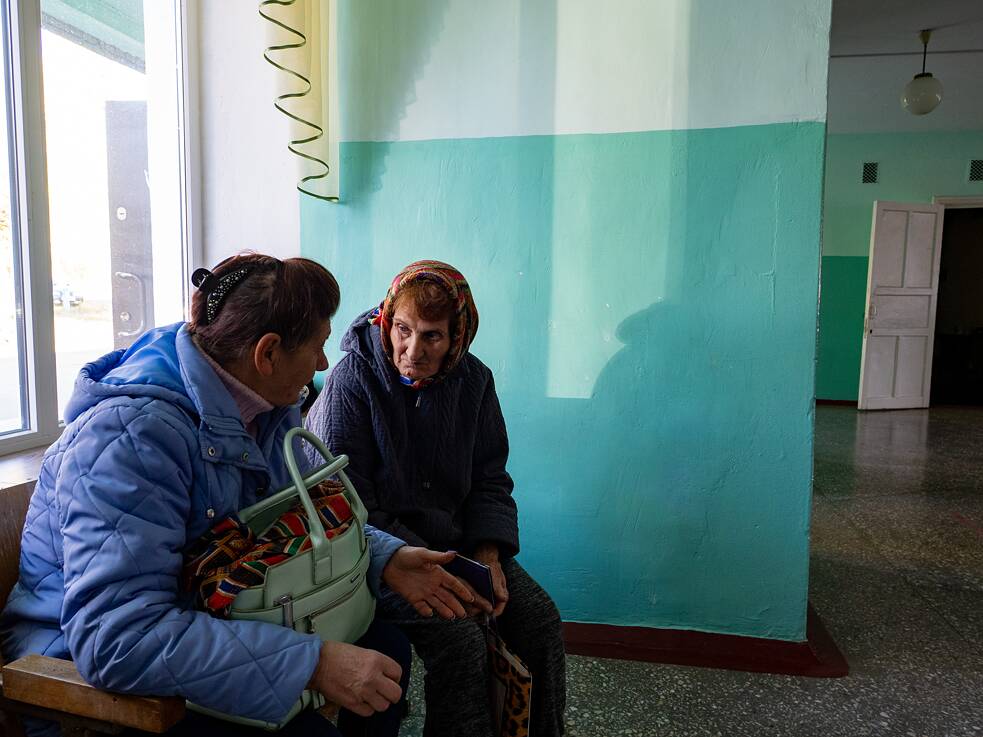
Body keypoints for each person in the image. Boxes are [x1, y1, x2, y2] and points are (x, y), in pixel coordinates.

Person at [0, 254, 476, 737]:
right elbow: (117, 639)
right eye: (317, 347)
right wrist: (309, 664)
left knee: (386, 651)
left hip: (207, 609)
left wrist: (385, 557)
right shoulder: (130, 439)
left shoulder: (267, 404)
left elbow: (299, 512)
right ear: (267, 354)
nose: (323, 363)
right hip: (94, 682)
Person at [305, 260, 567, 737]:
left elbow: (490, 478)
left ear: (457, 338)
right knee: (461, 641)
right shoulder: (352, 381)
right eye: (403, 330)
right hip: (376, 554)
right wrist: (431, 566)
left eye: (432, 337)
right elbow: (345, 505)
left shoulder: (475, 381)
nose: (412, 350)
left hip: (459, 546)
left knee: (539, 621)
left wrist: (488, 553)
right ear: (386, 320)